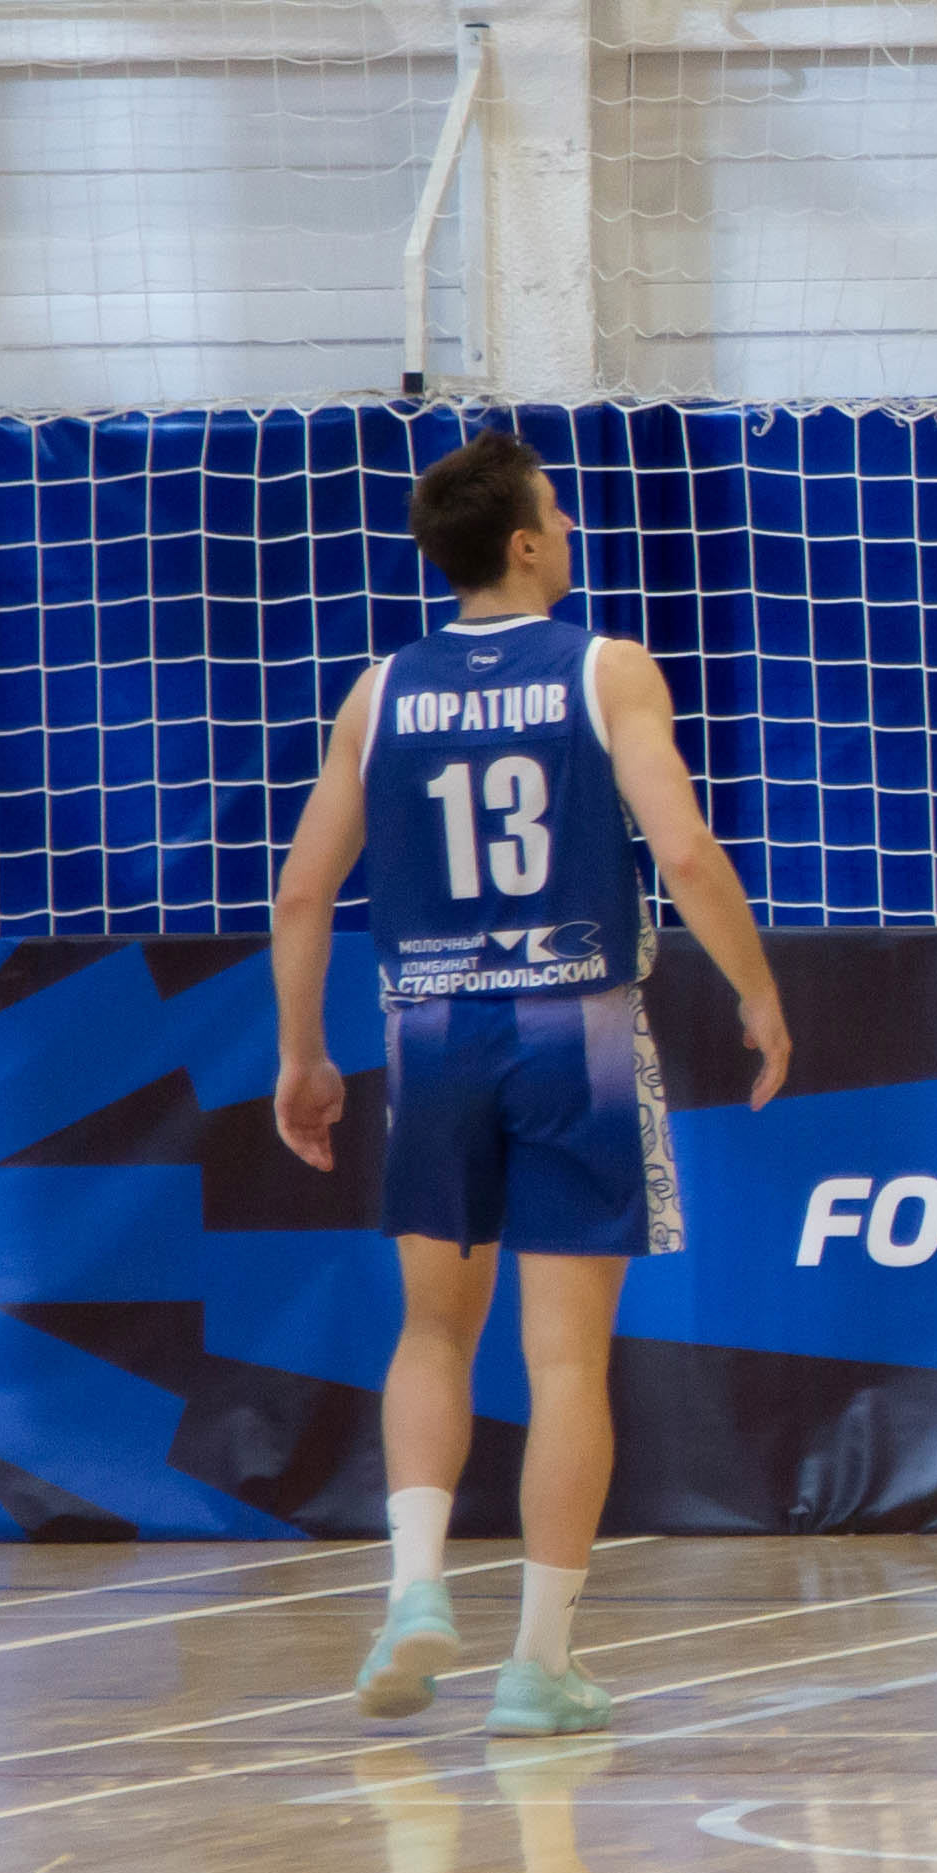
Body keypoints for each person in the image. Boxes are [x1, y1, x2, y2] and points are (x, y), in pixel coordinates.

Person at [270, 436, 791, 1741]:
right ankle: (538, 1666)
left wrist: (302, 1055)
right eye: (554, 514)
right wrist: (756, 989)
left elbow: (300, 891)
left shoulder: (378, 692)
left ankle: (413, 1590)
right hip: (578, 1032)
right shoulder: (606, 667)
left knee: (431, 1334)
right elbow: (683, 846)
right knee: (564, 1363)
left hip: (432, 1030)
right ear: (521, 543)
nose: (566, 532)